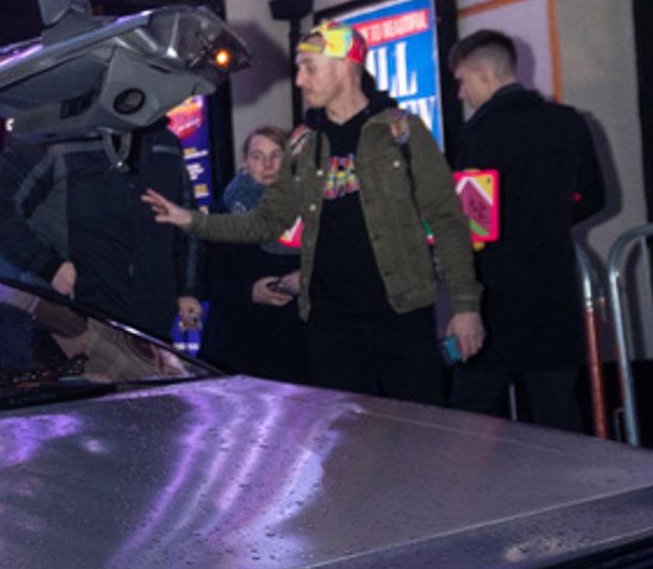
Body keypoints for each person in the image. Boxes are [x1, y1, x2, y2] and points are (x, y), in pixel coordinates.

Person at [145, 23, 483, 406]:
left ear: (344, 68)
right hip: (331, 324)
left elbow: (447, 219)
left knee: (418, 434)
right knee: (345, 442)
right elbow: (266, 221)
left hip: (401, 316)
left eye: (310, 67)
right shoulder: (304, 144)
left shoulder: (401, 132)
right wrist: (192, 220)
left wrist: (466, 306)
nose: (301, 80)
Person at [447, 28, 607, 430]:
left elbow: (473, 222)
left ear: (484, 75)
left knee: (472, 412)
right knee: (558, 417)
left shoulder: (479, 134)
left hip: (495, 292)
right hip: (555, 287)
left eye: (462, 82)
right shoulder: (569, 123)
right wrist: (549, 221)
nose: (460, 94)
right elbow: (596, 196)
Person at [0, 118, 204, 343]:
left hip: (153, 321)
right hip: (75, 319)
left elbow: (185, 221)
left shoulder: (165, 143)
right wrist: (47, 266)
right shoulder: (52, 139)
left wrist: (187, 288)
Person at [198, 126, 308, 383]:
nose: (267, 165)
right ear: (245, 162)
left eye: (276, 155)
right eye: (257, 156)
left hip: (298, 345)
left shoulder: (311, 207)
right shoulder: (224, 211)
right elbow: (207, 281)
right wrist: (250, 291)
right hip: (238, 343)